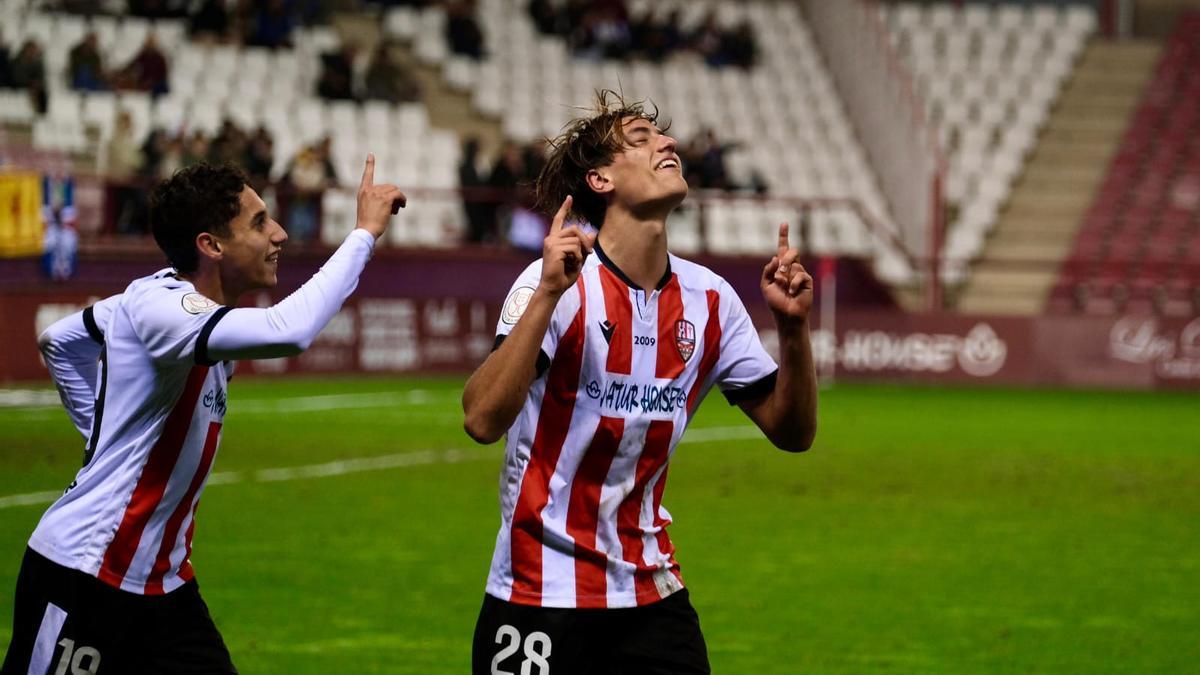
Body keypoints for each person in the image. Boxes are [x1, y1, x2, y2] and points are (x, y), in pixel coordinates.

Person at [0, 157, 404, 674]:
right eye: (259, 223)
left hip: (163, 587)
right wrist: (364, 233)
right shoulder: (161, 307)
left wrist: (105, 440)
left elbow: (59, 340)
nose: (279, 234)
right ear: (210, 245)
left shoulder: (172, 308)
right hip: (87, 572)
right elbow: (289, 331)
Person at [461, 91, 817, 673]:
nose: (668, 143)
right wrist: (549, 293)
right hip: (539, 595)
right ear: (601, 179)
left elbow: (792, 431)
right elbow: (480, 419)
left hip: (651, 596)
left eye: (663, 136)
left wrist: (793, 330)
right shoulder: (555, 280)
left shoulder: (711, 300)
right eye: (641, 139)